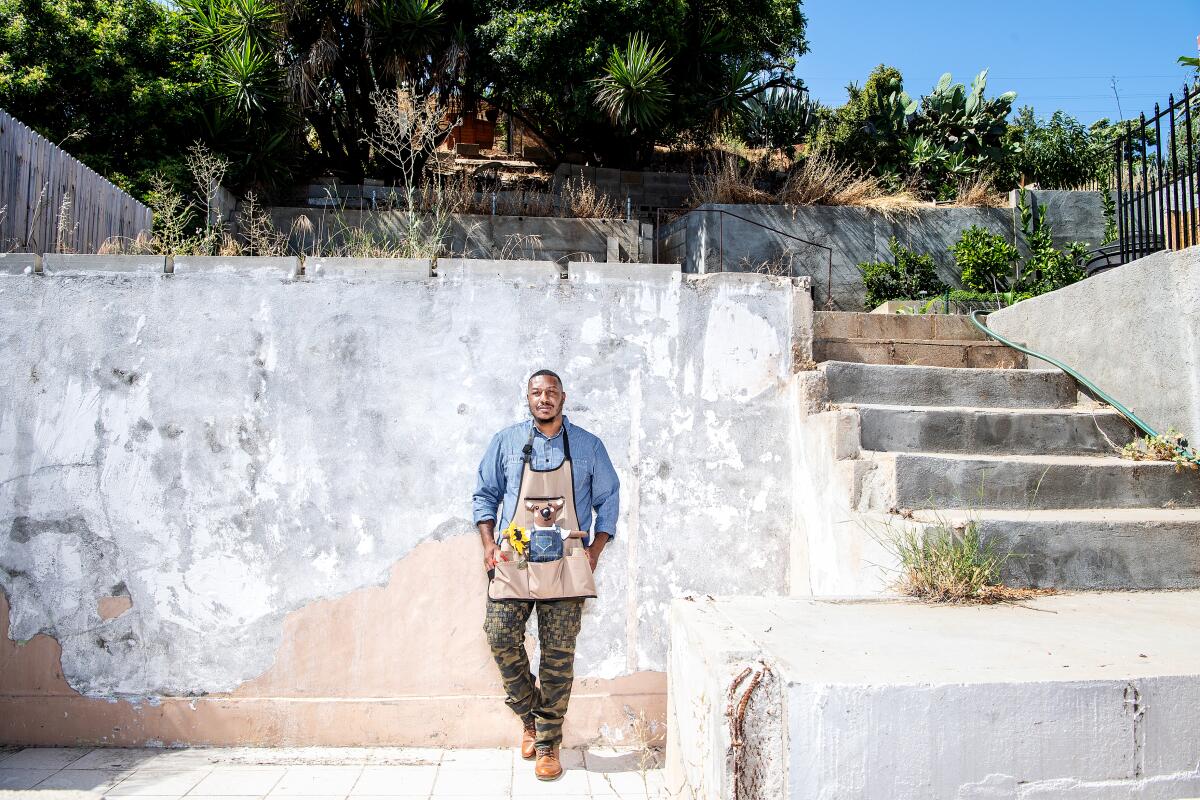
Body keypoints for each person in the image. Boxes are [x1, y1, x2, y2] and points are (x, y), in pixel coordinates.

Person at [472, 369, 620, 781]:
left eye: (551, 392)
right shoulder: (504, 442)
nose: (544, 398)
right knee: (499, 635)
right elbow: (484, 494)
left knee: (557, 657)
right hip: (514, 558)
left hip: (567, 561)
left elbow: (609, 499)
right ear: (528, 398)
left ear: (563, 398)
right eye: (537, 392)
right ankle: (529, 716)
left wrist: (595, 551)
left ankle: (548, 743)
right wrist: (488, 545)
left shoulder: (589, 447)